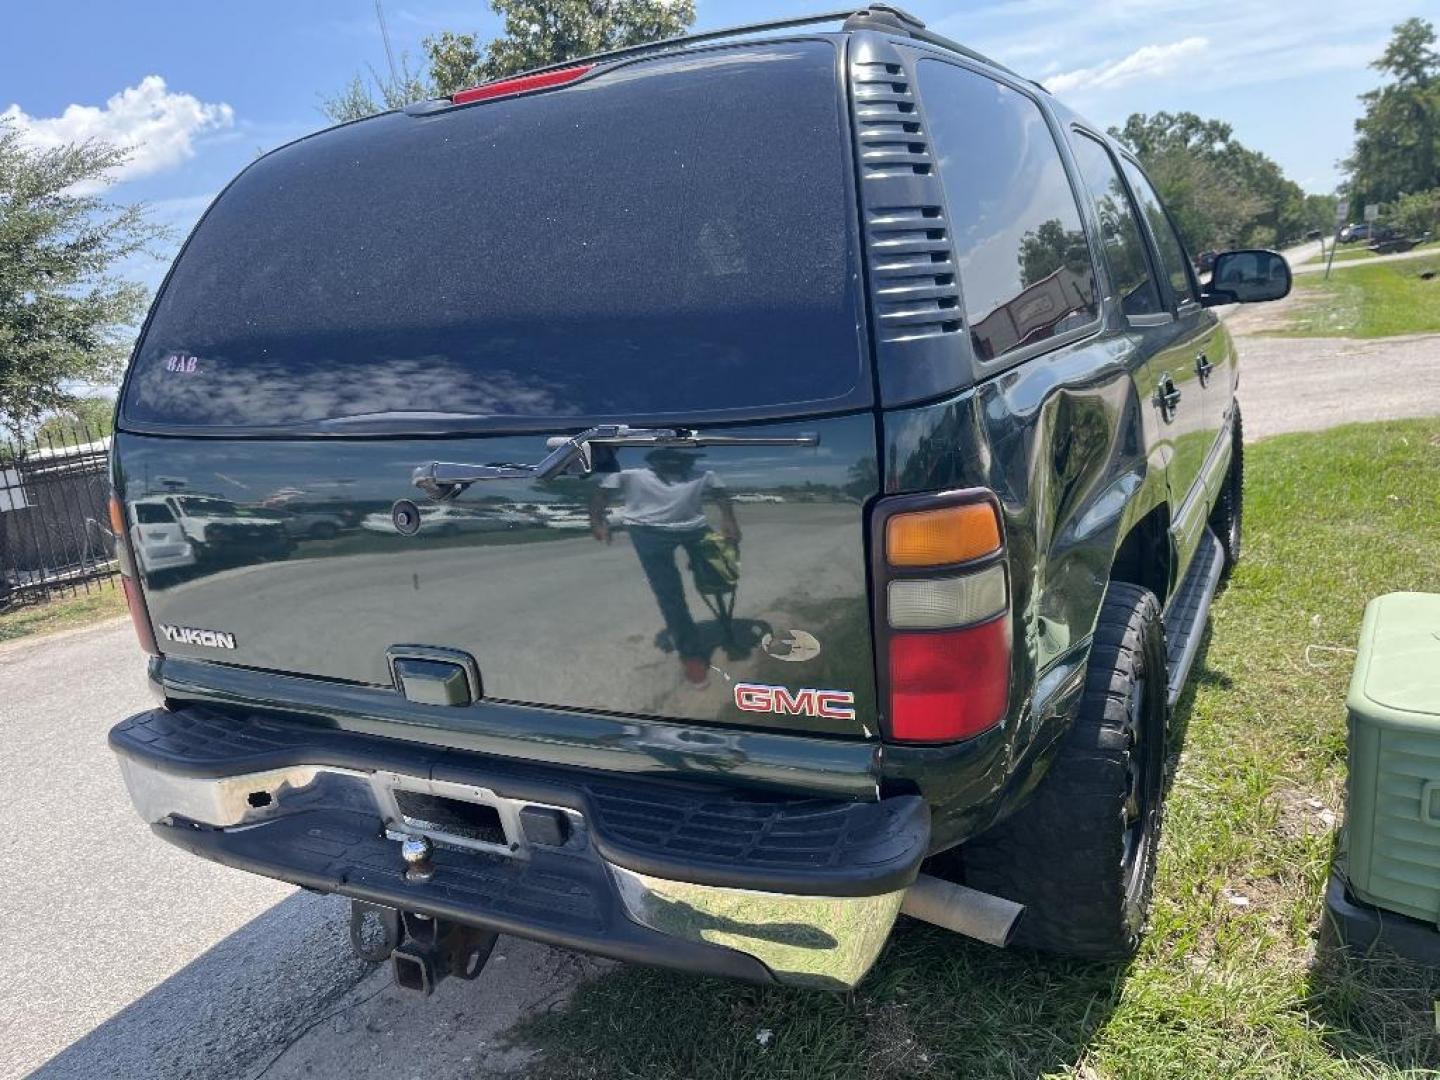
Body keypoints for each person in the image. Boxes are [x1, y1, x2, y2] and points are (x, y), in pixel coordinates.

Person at [589, 448, 740, 687]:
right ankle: (691, 655)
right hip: (648, 531)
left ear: (689, 460)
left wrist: (729, 520)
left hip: (695, 529)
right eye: (668, 462)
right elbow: (601, 495)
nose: (676, 466)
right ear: (653, 461)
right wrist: (597, 522)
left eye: (682, 460)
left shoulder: (705, 474)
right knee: (670, 594)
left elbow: (721, 494)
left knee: (721, 574)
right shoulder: (630, 475)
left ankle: (726, 629)